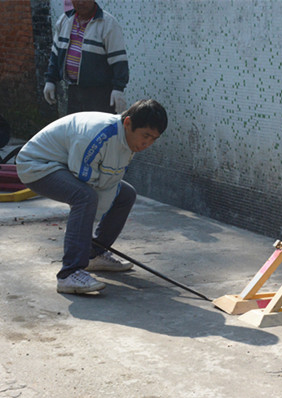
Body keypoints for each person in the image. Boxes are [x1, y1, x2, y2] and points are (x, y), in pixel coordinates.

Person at [16, 99, 168, 294]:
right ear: (128, 123)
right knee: (84, 196)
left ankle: (93, 255)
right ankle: (69, 273)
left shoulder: (127, 140)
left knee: (126, 194)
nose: (147, 143)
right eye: (145, 136)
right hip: (37, 165)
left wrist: (89, 240)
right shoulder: (97, 135)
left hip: (64, 164)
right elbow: (88, 186)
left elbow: (109, 183)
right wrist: (83, 232)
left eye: (154, 139)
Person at [43, 0, 129, 114]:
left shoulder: (108, 23)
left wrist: (118, 89)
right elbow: (55, 55)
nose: (80, 2)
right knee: (76, 129)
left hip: (100, 95)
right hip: (73, 91)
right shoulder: (64, 20)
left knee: (98, 130)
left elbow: (118, 60)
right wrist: (50, 80)